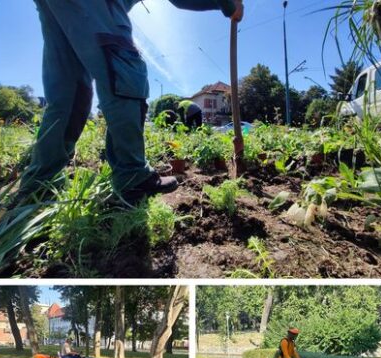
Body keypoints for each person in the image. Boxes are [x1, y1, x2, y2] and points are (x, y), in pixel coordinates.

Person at [14, 0, 244, 206]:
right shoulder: (186, 106)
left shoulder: (185, 105)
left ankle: (38, 186)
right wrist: (227, 4)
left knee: (71, 92)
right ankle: (133, 177)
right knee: (124, 70)